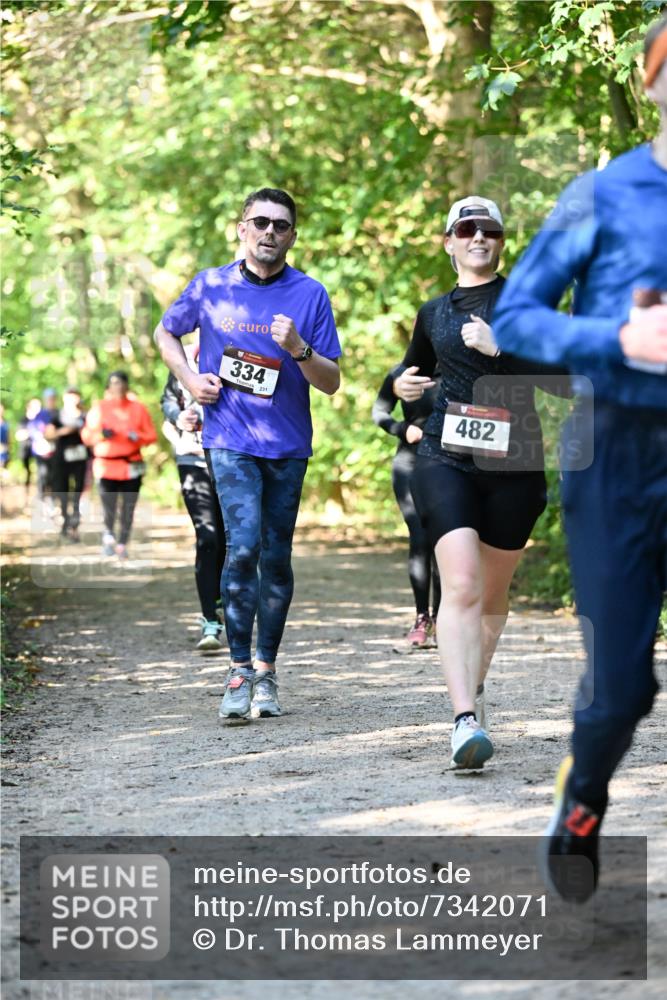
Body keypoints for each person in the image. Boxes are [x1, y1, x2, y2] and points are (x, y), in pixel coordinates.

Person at [493, 16, 667, 904]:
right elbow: (517, 318)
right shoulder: (600, 192)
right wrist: (616, 335)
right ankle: (583, 798)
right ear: (653, 83)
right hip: (618, 451)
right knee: (619, 686)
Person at [393, 196, 571, 771]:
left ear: (499, 241)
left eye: (488, 229)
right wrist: (403, 392)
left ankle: (474, 690)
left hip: (515, 466)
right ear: (448, 242)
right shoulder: (431, 312)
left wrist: (503, 350)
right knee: (463, 585)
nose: (477, 237)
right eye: (465, 229)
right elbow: (409, 372)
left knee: (492, 597)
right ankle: (464, 718)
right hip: (447, 459)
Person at [154, 187, 342, 722]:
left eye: (280, 225)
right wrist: (190, 380)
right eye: (259, 222)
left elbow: (330, 382)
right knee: (242, 548)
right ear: (241, 228)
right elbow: (165, 332)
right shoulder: (210, 285)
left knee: (276, 559)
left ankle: (266, 670)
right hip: (229, 440)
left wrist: (299, 349)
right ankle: (237, 669)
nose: (269, 232)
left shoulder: (310, 294)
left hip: (286, 445)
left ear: (292, 236)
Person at [161, 341, 227, 654]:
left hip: (230, 459)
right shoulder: (183, 356)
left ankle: (222, 600)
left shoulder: (234, 348)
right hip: (193, 459)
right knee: (208, 537)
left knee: (231, 539)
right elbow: (167, 400)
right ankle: (209, 619)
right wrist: (178, 417)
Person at [372, 370, 441, 646]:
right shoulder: (404, 372)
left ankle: (443, 618)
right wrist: (402, 428)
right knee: (421, 536)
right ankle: (422, 618)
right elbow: (380, 411)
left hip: (449, 465)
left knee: (445, 540)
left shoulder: (457, 363)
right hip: (409, 465)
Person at [81, 372, 157, 559]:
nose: (118, 386)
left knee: (128, 507)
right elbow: (86, 437)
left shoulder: (138, 409)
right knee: (109, 507)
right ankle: (108, 538)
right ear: (108, 387)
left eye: (121, 382)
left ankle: (122, 543)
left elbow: (151, 436)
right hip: (106, 466)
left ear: (126, 386)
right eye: (114, 383)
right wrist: (101, 435)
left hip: (131, 465)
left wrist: (137, 437)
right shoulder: (99, 408)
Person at [45, 387, 89, 542]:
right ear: (64, 398)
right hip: (61, 458)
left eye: (76, 397)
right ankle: (65, 520)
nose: (73, 400)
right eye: (70, 397)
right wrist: (65, 431)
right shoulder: (57, 416)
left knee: (78, 490)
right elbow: (48, 434)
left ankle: (74, 522)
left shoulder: (86, 416)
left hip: (80, 458)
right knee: (62, 490)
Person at [15, 398, 42, 490]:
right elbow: (18, 435)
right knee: (27, 473)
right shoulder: (23, 420)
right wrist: (31, 431)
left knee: (41, 472)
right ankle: (26, 493)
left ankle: (40, 495)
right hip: (25, 450)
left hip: (39, 451)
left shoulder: (41, 420)